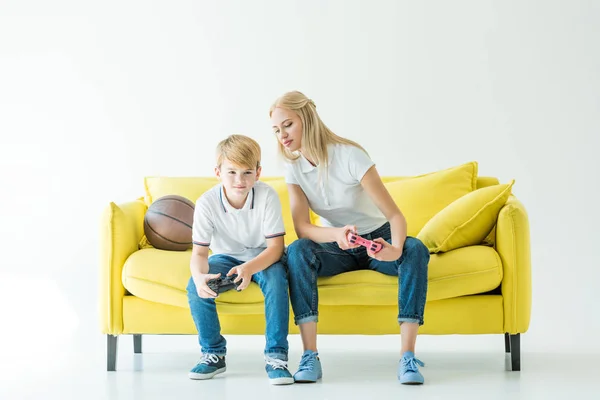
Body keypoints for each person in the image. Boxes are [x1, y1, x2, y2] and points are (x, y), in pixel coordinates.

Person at [270, 91, 430, 385]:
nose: (282, 135)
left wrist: (394, 249)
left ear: (306, 118)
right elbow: (303, 227)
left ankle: (407, 356)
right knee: (298, 250)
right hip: (337, 245)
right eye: (277, 130)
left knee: (416, 249)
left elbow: (395, 216)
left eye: (288, 125)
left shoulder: (350, 156)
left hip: (377, 239)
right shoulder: (293, 168)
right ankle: (309, 356)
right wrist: (337, 234)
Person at [186, 134, 294, 385]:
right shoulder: (206, 202)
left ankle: (276, 357)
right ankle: (213, 353)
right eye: (232, 172)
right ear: (218, 172)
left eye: (247, 172)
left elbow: (276, 248)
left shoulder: (267, 196)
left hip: (263, 256)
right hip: (224, 257)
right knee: (195, 287)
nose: (239, 180)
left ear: (258, 173)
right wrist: (199, 276)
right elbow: (200, 254)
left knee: (278, 282)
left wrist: (248, 268)